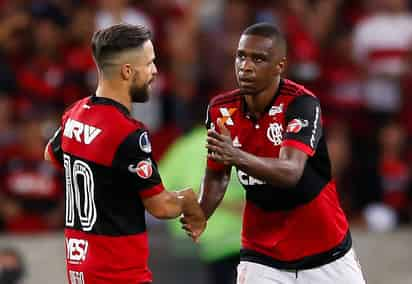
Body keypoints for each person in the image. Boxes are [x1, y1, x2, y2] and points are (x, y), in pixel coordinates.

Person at [195, 23, 366, 284]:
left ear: (280, 65)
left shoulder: (301, 104)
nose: (246, 66)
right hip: (262, 254)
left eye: (258, 59)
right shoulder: (220, 110)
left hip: (325, 251)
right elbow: (218, 176)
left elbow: (291, 172)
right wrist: (200, 213)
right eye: (241, 56)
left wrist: (236, 155)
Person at [44, 24, 206, 284]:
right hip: (118, 272)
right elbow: (162, 206)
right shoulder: (127, 133)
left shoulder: (74, 113)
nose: (154, 72)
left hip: (80, 268)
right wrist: (187, 199)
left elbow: (51, 155)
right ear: (128, 71)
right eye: (150, 63)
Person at [159, 125, 244, 284]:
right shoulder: (240, 143)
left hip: (196, 244)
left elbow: (160, 188)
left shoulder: (184, 146)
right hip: (245, 242)